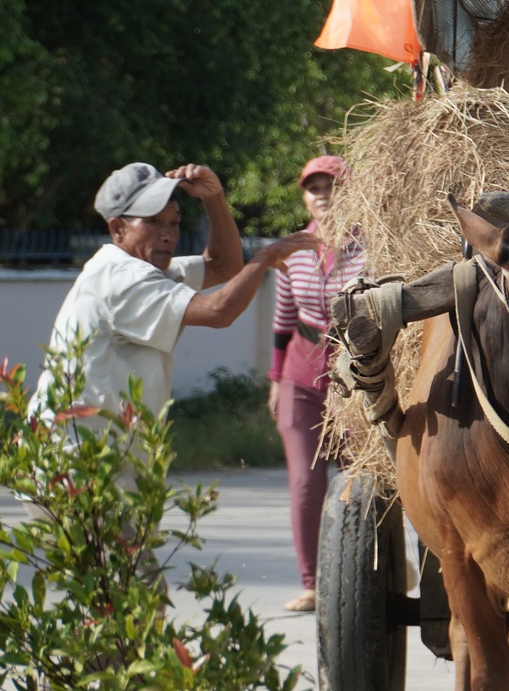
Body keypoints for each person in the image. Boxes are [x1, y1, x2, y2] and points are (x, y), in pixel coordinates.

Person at [38, 161, 317, 416]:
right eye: (154, 222)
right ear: (118, 229)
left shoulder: (151, 270)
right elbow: (219, 311)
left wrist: (214, 198)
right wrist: (265, 256)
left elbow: (224, 266)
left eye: (174, 222)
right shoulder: (123, 277)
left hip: (107, 453)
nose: (168, 234)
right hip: (75, 457)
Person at [269, 155, 367, 614]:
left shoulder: (371, 245)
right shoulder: (292, 249)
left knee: (361, 481)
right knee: (306, 485)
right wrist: (274, 379)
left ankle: (367, 575)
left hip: (356, 375)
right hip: (300, 374)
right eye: (314, 188)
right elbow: (283, 319)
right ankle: (311, 583)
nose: (323, 195)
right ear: (303, 195)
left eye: (332, 186)